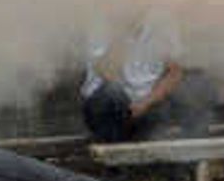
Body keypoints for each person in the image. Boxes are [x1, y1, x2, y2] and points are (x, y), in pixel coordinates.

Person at [81, 15, 204, 146]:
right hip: (110, 104)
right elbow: (105, 69)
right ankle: (116, 157)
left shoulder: (162, 20)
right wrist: (125, 34)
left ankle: (190, 156)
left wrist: (145, 103)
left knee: (199, 87)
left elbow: (174, 72)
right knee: (113, 97)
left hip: (150, 102)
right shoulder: (101, 22)